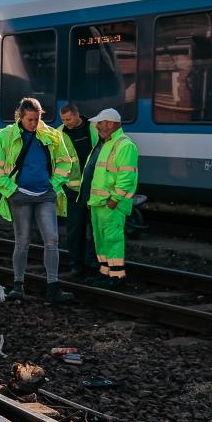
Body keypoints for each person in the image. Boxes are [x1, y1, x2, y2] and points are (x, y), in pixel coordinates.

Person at [0, 97, 75, 303]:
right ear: (20, 117)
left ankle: (53, 287)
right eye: (30, 120)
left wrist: (53, 185)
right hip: (20, 196)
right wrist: (12, 191)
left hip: (45, 194)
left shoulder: (51, 135)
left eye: (37, 119)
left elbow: (64, 162)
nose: (34, 124)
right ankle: (18, 286)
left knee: (52, 240)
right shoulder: (6, 136)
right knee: (22, 242)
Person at [83, 108, 139, 290]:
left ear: (111, 124)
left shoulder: (124, 145)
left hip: (112, 204)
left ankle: (117, 277)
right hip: (100, 203)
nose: (98, 126)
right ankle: (105, 273)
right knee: (101, 239)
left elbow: (126, 177)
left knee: (113, 239)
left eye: (100, 123)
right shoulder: (107, 143)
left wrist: (115, 198)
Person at [58, 103, 96, 277]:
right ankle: (76, 265)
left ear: (77, 115)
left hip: (94, 188)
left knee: (96, 229)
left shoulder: (94, 128)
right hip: (72, 190)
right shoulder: (59, 132)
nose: (66, 122)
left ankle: (94, 264)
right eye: (63, 119)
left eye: (68, 119)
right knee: (74, 230)